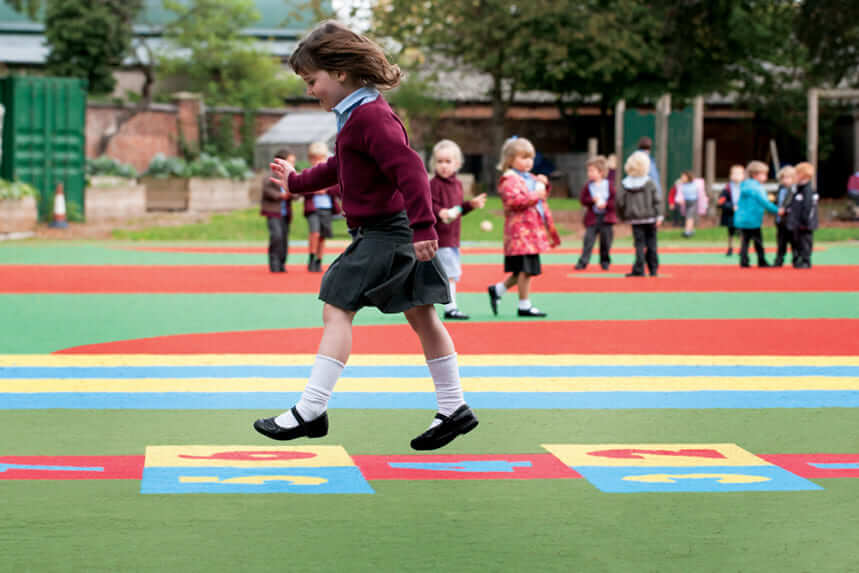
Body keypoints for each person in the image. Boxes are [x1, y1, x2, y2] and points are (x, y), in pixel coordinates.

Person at [253, 21, 478, 451]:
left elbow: (410, 168)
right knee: (423, 317)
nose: (309, 89)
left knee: (337, 306)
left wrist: (425, 226)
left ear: (339, 73)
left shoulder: (371, 116)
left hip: (385, 233)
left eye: (311, 80)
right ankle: (454, 408)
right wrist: (298, 182)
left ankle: (311, 409)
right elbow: (343, 165)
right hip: (389, 230)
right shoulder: (358, 116)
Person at [487, 136, 560, 317]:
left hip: (531, 233)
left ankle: (498, 290)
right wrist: (537, 194)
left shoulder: (529, 177)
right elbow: (514, 201)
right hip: (520, 234)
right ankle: (524, 305)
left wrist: (544, 185)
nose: (528, 162)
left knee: (523, 270)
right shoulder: (509, 180)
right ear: (510, 160)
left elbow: (540, 195)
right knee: (526, 271)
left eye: (530, 158)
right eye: (523, 158)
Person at [430, 139, 487, 320]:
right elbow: (430, 205)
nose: (444, 166)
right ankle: (451, 308)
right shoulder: (433, 184)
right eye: (440, 162)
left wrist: (470, 205)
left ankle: (441, 305)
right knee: (450, 274)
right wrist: (440, 212)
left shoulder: (458, 185)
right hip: (439, 238)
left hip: (452, 237)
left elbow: (457, 210)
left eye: (448, 162)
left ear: (458, 164)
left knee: (446, 274)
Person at [616, 151, 663, 277]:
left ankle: (639, 269)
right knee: (652, 243)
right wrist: (659, 216)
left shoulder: (626, 184)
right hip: (650, 218)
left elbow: (619, 202)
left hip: (635, 219)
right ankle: (653, 269)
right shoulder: (650, 183)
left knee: (639, 244)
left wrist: (622, 216)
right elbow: (657, 200)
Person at [303, 141, 341, 272]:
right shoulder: (308, 172)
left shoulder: (329, 174)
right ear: (310, 159)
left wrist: (326, 190)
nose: (317, 161)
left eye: (320, 158)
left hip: (327, 207)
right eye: (314, 158)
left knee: (323, 235)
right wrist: (314, 190)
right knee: (315, 232)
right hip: (313, 208)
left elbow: (337, 189)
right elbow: (301, 188)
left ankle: (319, 259)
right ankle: (312, 257)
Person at [574, 155, 616, 271]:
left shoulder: (609, 185)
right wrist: (591, 201)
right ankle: (583, 262)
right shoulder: (588, 186)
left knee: (605, 242)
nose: (589, 173)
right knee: (588, 241)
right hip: (593, 218)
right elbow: (582, 200)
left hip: (606, 218)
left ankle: (605, 262)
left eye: (592, 171)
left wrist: (606, 205)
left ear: (601, 172)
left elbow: (614, 201)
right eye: (588, 171)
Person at [734, 160, 779, 268]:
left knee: (745, 242)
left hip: (742, 219)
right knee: (758, 241)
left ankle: (744, 261)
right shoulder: (756, 188)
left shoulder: (744, 185)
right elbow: (764, 202)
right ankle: (761, 260)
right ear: (755, 174)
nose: (766, 177)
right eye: (764, 174)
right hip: (752, 220)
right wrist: (778, 210)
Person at [260, 149, 296, 272]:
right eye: (290, 162)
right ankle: (274, 263)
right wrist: (280, 196)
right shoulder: (270, 176)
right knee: (277, 236)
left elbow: (296, 192)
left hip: (286, 212)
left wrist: (292, 193)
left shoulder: (291, 176)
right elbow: (266, 190)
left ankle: (282, 263)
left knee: (284, 237)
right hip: (273, 211)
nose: (292, 165)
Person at [787, 162, 819, 269]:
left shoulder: (808, 189)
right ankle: (799, 259)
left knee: (805, 242)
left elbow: (808, 207)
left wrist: (805, 220)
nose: (795, 176)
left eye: (797, 174)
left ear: (803, 175)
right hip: (798, 222)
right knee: (798, 241)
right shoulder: (797, 188)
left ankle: (806, 260)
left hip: (805, 222)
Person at [717, 164, 745, 256]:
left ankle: (742, 248)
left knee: (742, 231)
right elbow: (721, 201)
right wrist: (731, 206)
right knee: (731, 231)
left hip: (741, 213)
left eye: (739, 174)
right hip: (730, 214)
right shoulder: (727, 188)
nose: (736, 176)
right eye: (734, 174)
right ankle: (730, 247)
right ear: (731, 175)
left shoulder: (745, 187)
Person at [773, 165, 797, 267]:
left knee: (794, 241)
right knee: (781, 242)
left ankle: (796, 259)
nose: (785, 180)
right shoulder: (780, 189)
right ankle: (779, 260)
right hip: (780, 221)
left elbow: (793, 204)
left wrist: (786, 210)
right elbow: (777, 203)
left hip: (791, 221)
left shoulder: (795, 191)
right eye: (783, 178)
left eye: (788, 178)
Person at [674, 170, 708, 238]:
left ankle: (687, 231)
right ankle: (691, 230)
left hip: (693, 202)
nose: (682, 178)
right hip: (686, 202)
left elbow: (700, 193)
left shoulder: (695, 184)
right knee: (689, 216)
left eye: (684, 177)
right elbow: (679, 192)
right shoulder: (682, 184)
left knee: (689, 216)